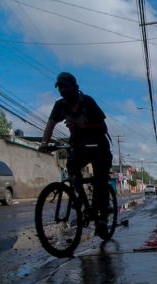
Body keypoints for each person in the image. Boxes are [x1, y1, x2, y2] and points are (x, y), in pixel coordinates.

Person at [40, 72, 112, 236]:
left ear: (76, 88)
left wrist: (81, 127)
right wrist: (44, 143)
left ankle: (102, 219)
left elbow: (103, 127)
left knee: (100, 181)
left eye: (67, 86)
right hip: (80, 147)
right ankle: (78, 198)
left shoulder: (87, 102)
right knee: (71, 170)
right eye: (61, 87)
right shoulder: (60, 105)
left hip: (98, 147)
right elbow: (51, 124)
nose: (64, 90)